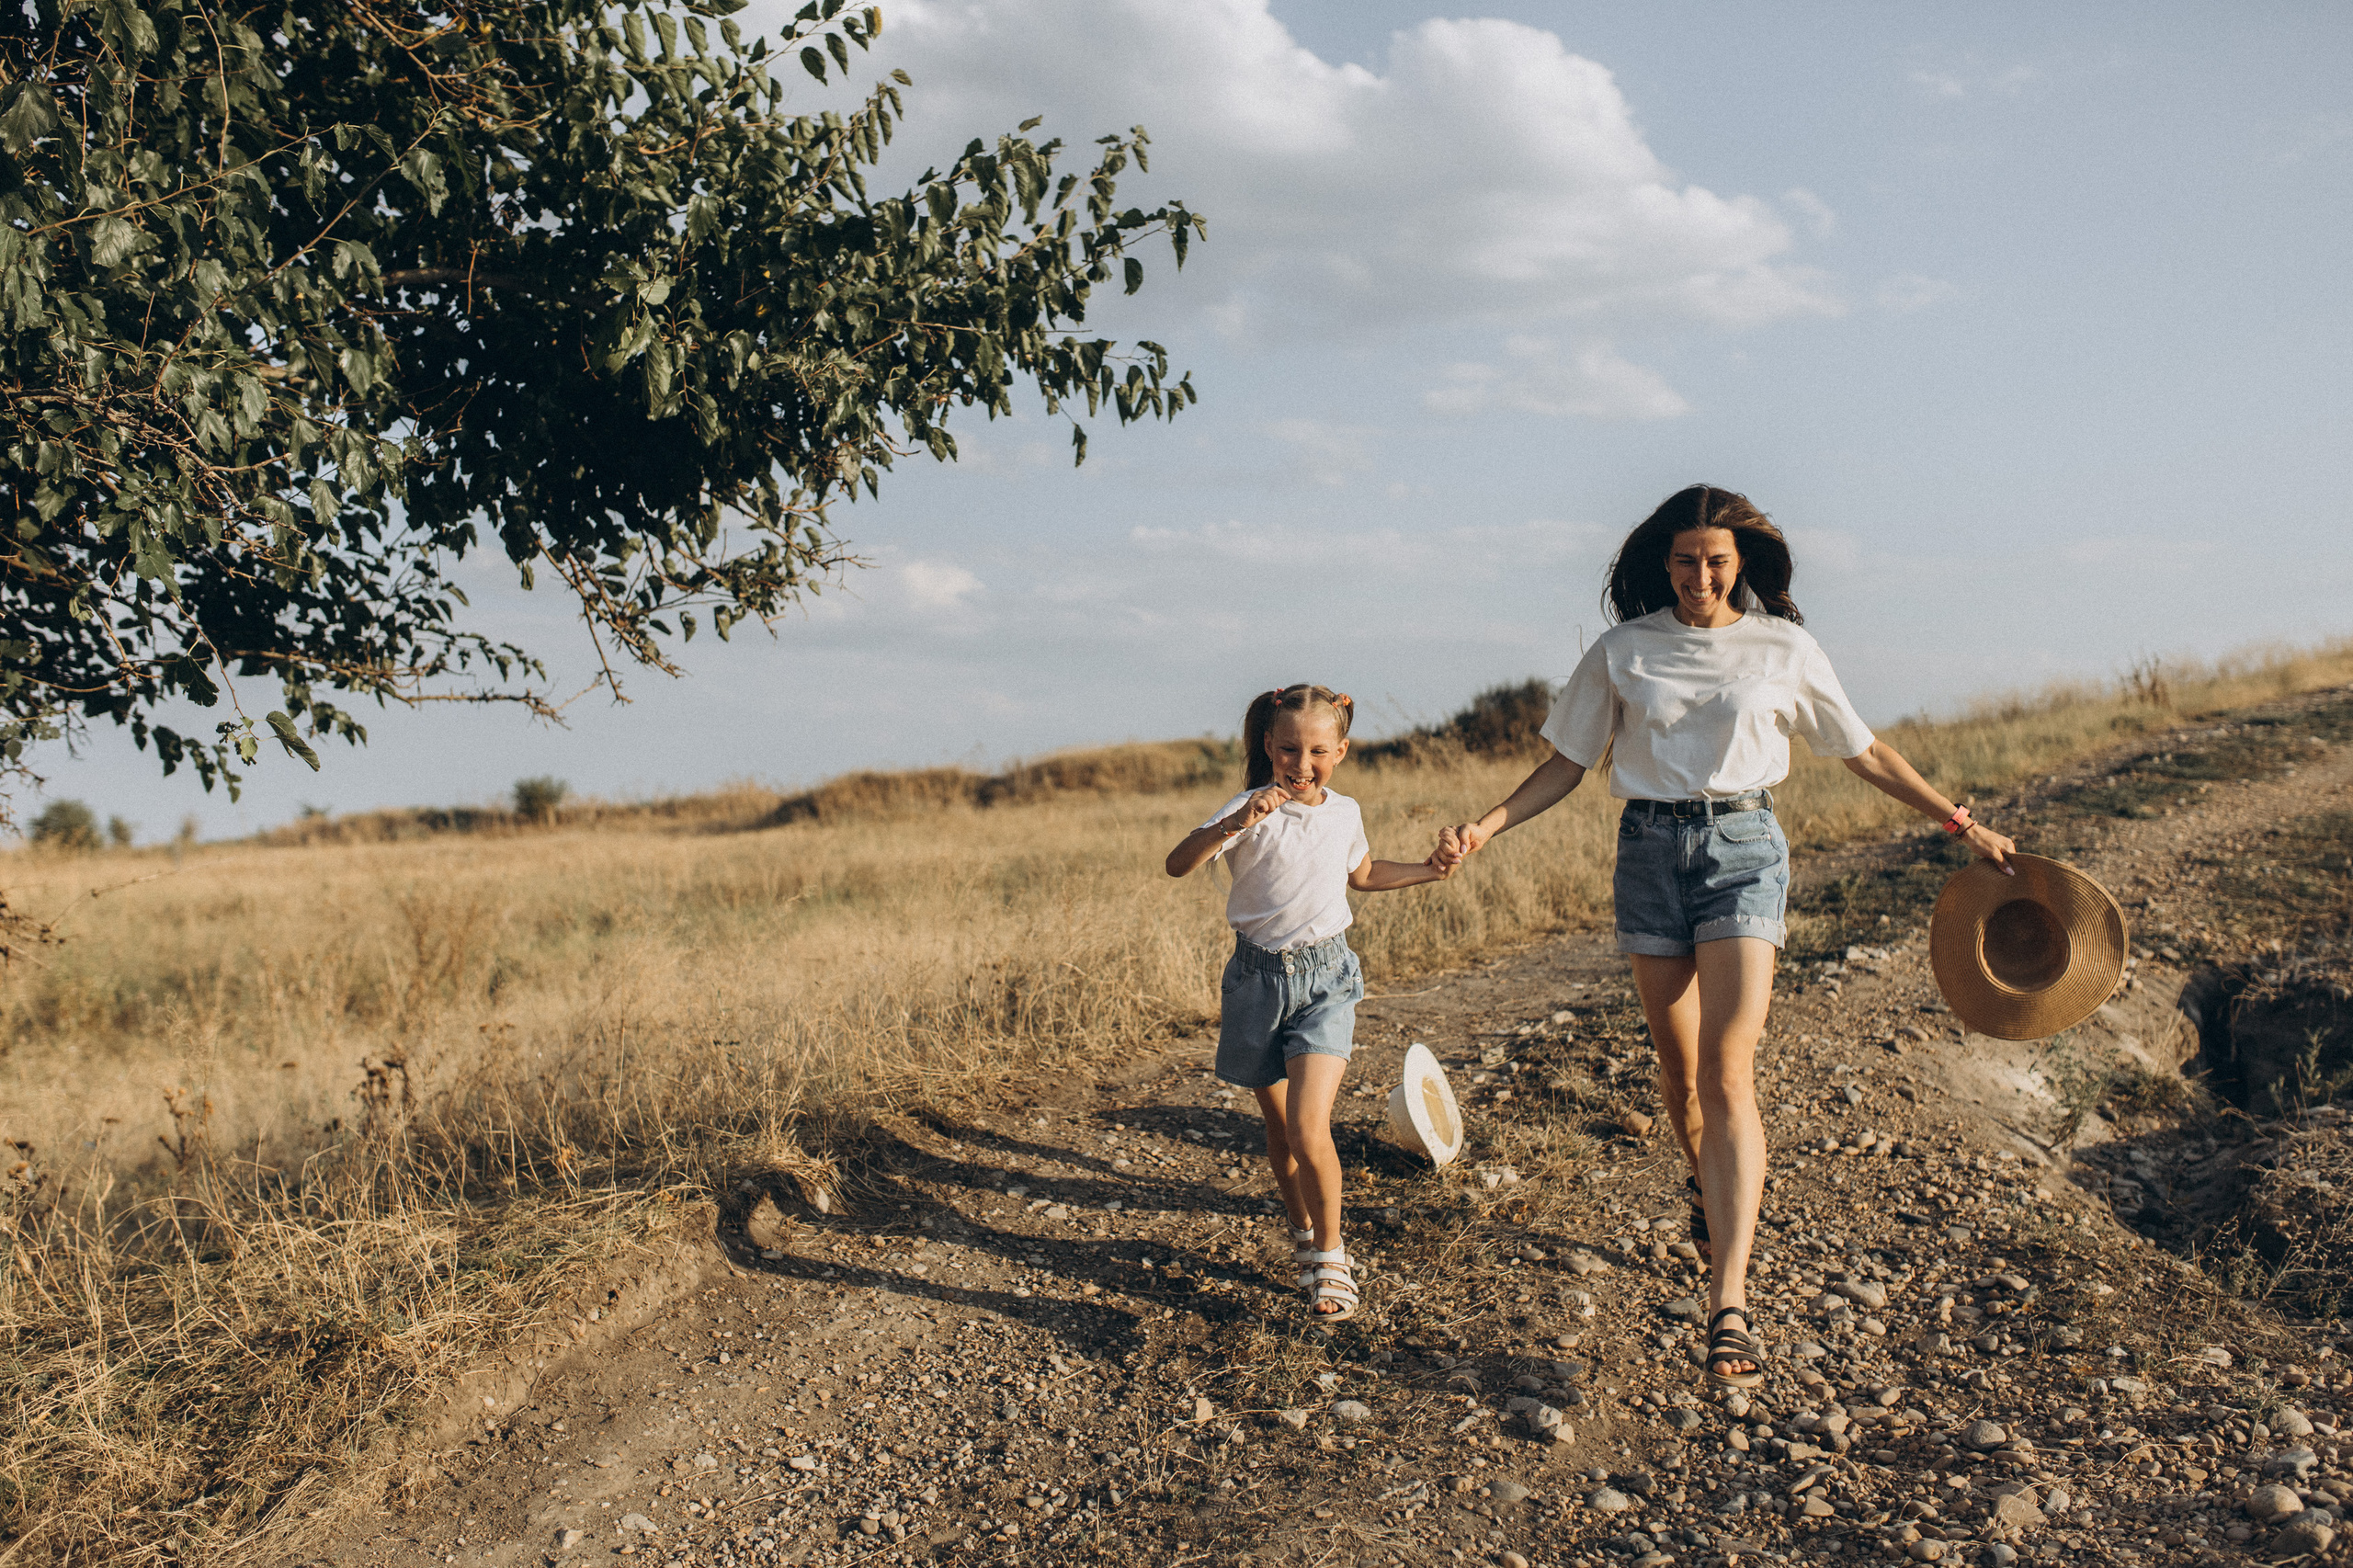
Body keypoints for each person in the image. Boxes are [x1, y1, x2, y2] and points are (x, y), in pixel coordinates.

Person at [1436, 485, 2015, 1386]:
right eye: (1684, 561)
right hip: (1647, 852)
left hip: (1744, 849)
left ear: (1741, 563)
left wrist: (1960, 822)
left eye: (1715, 561)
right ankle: (1707, 1186)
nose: (1699, 576)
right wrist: (1481, 828)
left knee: (1726, 1066)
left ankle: (1728, 1303)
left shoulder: (1784, 647)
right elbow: (1563, 764)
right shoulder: (1623, 650)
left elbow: (1863, 750)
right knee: (1678, 1074)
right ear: (1661, 563)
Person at [1165, 684, 1452, 1320]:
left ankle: (1331, 1254)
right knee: (1280, 1132)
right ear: (1269, 746)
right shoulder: (1247, 809)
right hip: (1256, 983)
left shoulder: (1345, 812)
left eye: (1318, 751)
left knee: (1306, 1127)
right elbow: (1177, 864)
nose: (1302, 764)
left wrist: (1430, 869)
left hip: (1326, 981)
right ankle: (1302, 1230)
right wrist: (1235, 822)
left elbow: (1363, 874)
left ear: (1340, 752)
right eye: (1289, 750)